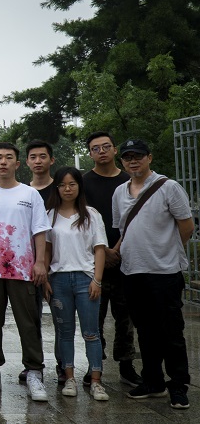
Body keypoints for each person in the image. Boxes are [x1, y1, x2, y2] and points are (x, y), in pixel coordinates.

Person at [112, 139, 194, 409]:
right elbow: (123, 230)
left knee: (171, 331)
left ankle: (178, 385)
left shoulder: (169, 187)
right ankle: (153, 381)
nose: (133, 161)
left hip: (164, 271)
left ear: (149, 157)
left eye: (138, 156)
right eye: (127, 157)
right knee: (145, 331)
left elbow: (186, 226)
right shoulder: (119, 192)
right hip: (132, 271)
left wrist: (166, 250)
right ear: (122, 162)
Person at [0, 142, 51, 402]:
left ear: (17, 163)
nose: (3, 162)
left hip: (23, 268)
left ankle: (34, 371)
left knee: (28, 321)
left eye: (8, 157)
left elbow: (40, 231)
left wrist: (40, 262)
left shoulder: (30, 194)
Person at [82, 131, 142, 387]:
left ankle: (127, 365)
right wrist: (103, 250)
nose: (102, 151)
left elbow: (134, 219)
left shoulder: (129, 180)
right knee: (93, 316)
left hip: (126, 259)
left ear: (115, 150)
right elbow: (81, 218)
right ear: (90, 153)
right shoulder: (83, 182)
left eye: (106, 146)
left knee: (125, 317)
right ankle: (94, 364)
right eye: (96, 148)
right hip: (93, 260)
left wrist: (115, 249)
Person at [44, 166, 109, 401]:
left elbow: (99, 249)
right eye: (62, 185)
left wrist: (97, 280)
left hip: (85, 279)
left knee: (91, 333)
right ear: (57, 188)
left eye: (72, 184)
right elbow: (47, 249)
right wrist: (45, 279)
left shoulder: (91, 215)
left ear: (79, 186)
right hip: (59, 279)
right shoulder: (49, 215)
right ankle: (69, 377)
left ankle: (96, 381)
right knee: (64, 332)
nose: (67, 189)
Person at [24, 139, 61, 383]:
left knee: (62, 320)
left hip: (61, 262)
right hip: (32, 264)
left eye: (43, 156)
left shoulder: (62, 189)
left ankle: (64, 365)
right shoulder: (23, 192)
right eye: (33, 157)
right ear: (27, 162)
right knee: (32, 318)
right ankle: (33, 365)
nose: (38, 161)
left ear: (51, 160)